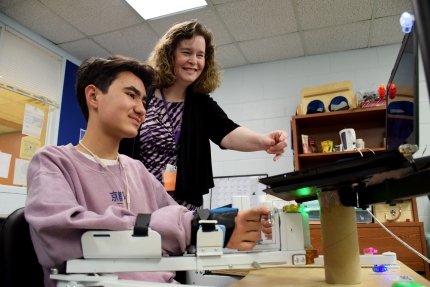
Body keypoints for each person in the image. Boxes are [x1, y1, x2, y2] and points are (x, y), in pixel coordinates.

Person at [24, 55, 272, 287]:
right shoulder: (53, 162)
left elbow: (180, 219)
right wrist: (195, 228)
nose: (142, 109)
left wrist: (232, 221)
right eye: (131, 95)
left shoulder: (136, 169)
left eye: (144, 100)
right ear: (93, 96)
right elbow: (65, 233)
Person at [120, 20, 288, 210]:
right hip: (140, 204)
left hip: (183, 209)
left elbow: (228, 132)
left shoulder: (200, 103)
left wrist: (264, 141)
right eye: (186, 52)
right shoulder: (144, 93)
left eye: (200, 55)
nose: (194, 61)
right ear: (169, 55)